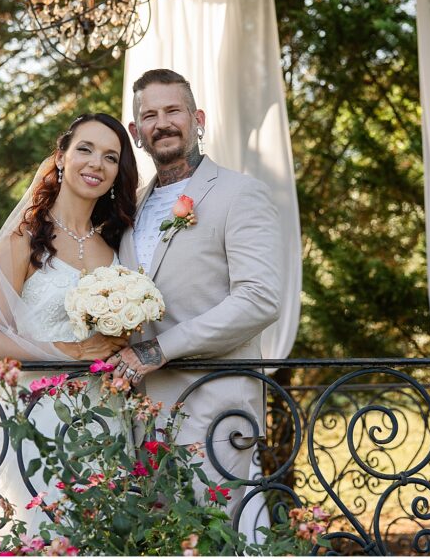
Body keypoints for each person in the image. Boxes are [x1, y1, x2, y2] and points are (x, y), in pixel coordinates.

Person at [105, 68, 282, 521]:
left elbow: (260, 298)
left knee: (208, 543)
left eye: (173, 111)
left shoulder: (239, 194)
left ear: (196, 118)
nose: (162, 123)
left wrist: (160, 348)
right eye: (149, 115)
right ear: (136, 132)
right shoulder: (130, 207)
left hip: (212, 414)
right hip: (140, 419)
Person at [0, 113, 139, 536]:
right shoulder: (22, 238)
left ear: (117, 173)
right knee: (34, 535)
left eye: (110, 157)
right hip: (33, 421)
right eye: (85, 149)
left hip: (102, 419)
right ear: (60, 158)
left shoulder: (117, 245)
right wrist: (73, 353)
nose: (96, 163)